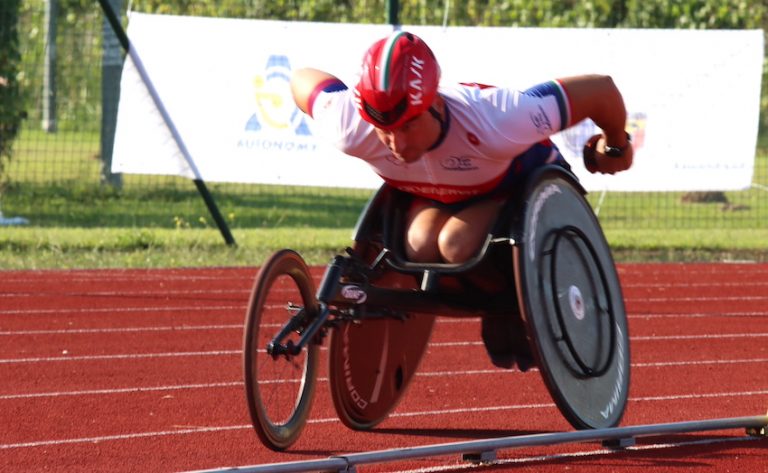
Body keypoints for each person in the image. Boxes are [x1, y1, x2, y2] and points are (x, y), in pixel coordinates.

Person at [290, 30, 633, 368]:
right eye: (385, 130)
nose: (397, 144)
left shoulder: (497, 118)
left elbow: (600, 89)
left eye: (408, 126)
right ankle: (488, 295)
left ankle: (508, 300)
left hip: (514, 187)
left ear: (435, 104)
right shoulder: (350, 125)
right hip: (435, 194)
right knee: (418, 243)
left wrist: (615, 144)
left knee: (455, 243)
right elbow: (302, 80)